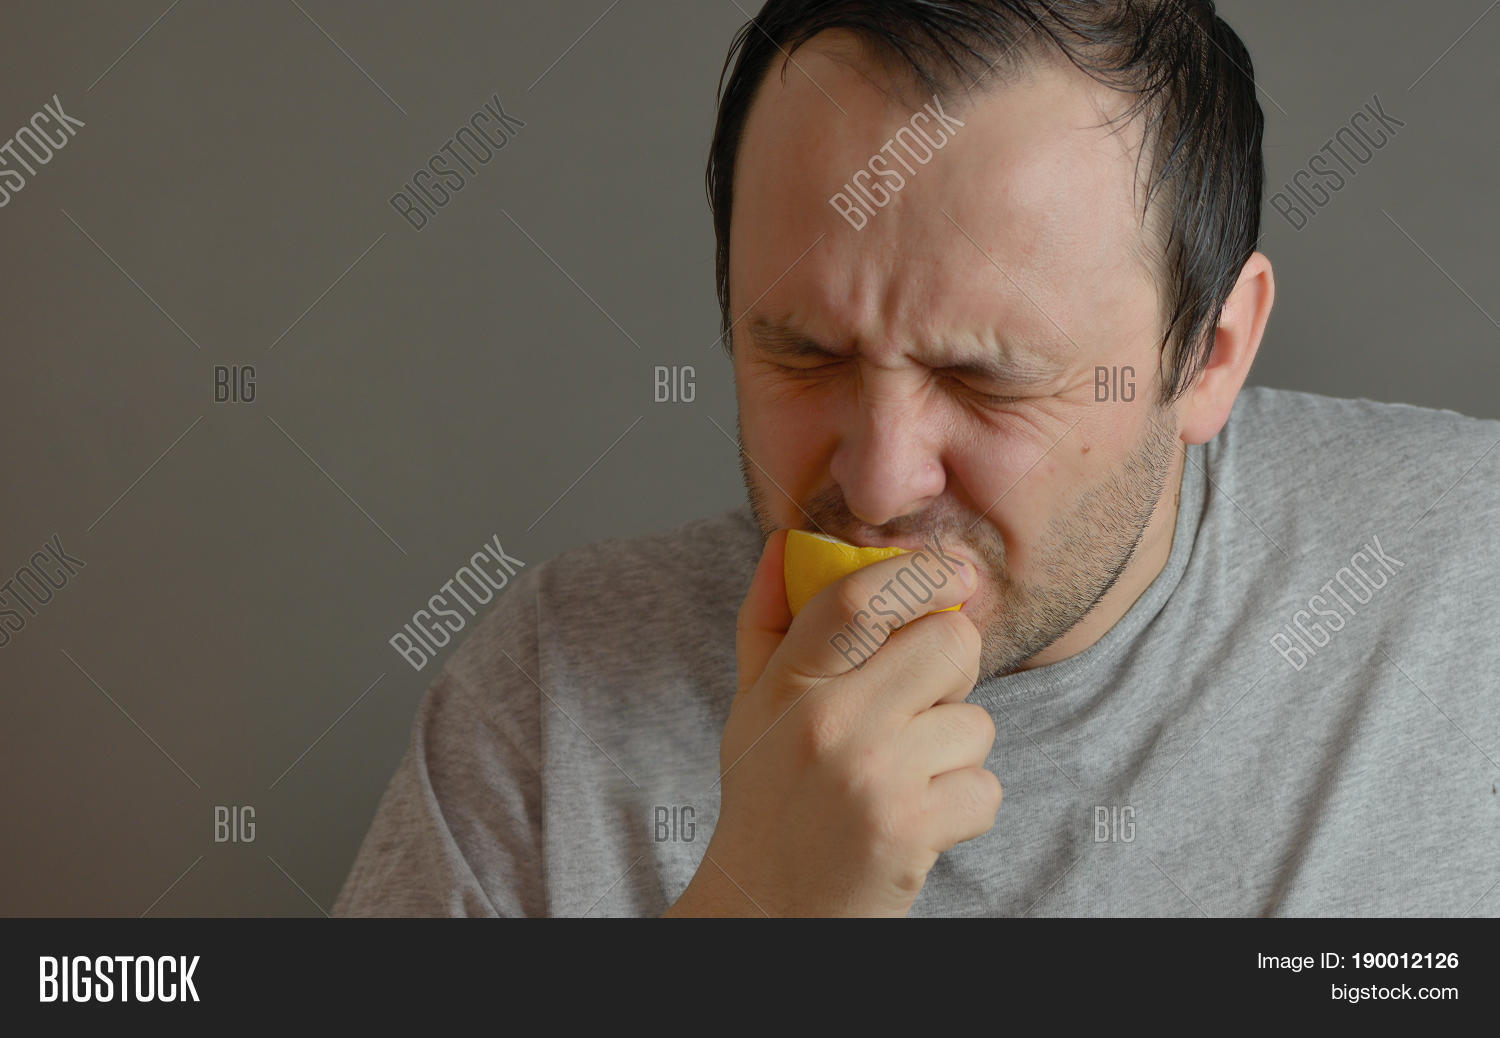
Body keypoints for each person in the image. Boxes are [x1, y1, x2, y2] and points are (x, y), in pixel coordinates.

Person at [334, 0, 1500, 917]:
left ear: (1211, 355)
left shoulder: (1472, 581)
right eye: (801, 354)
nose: (882, 481)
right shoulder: (549, 699)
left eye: (988, 379)